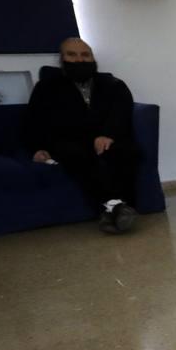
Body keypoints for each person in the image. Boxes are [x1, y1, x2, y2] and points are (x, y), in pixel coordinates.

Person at [25, 37, 141, 234]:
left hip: (107, 139)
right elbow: (34, 122)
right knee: (77, 155)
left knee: (124, 152)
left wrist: (107, 135)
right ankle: (117, 207)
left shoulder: (113, 84)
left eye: (85, 55)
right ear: (62, 60)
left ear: (93, 59)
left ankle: (110, 212)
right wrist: (38, 148)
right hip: (69, 142)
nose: (80, 60)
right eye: (72, 55)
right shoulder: (46, 88)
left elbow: (122, 113)